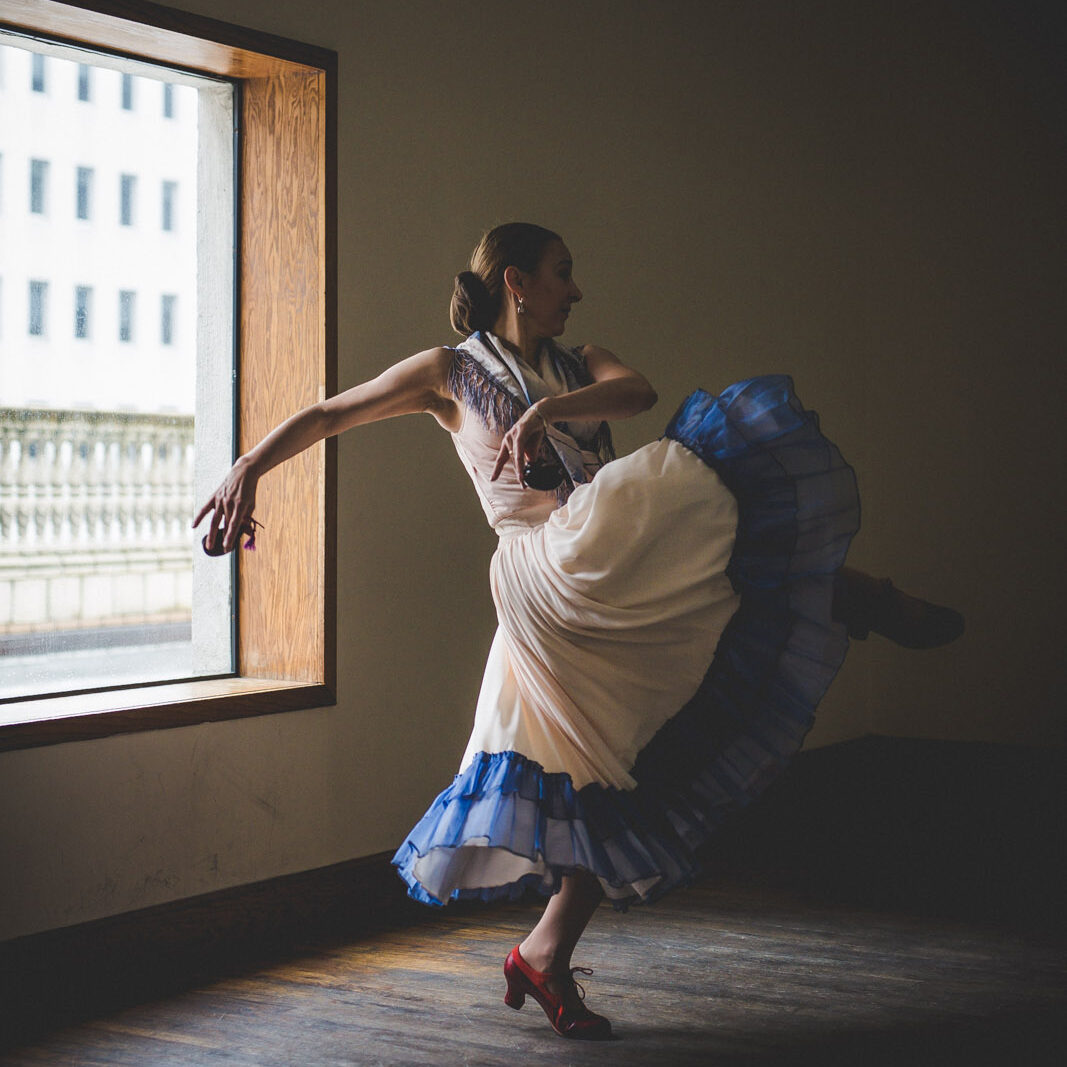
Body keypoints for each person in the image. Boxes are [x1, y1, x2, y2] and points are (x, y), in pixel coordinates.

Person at [194, 222, 963, 1041]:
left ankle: (542, 954)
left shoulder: (583, 360)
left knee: (611, 770)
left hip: (605, 563)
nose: (577, 289)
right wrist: (248, 466)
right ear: (517, 282)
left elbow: (637, 393)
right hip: (543, 568)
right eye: (564, 273)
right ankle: (865, 597)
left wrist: (550, 409)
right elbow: (328, 411)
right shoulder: (448, 372)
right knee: (688, 492)